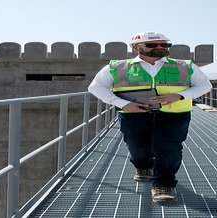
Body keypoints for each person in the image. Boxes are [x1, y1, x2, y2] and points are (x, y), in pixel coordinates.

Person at [88, 32, 212, 203]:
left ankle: (164, 184)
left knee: (170, 149)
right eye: (153, 45)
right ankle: (143, 166)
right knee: (137, 146)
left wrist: (180, 96)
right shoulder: (117, 67)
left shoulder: (185, 65)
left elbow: (205, 85)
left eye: (165, 45)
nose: (160, 48)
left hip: (174, 114)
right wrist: (123, 104)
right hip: (133, 114)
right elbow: (96, 87)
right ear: (135, 47)